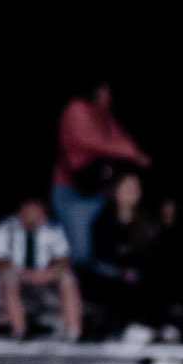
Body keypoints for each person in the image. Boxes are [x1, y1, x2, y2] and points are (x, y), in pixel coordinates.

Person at [52, 80, 148, 265]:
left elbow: (119, 136)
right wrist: (133, 153)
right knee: (80, 252)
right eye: (103, 90)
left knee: (101, 246)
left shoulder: (104, 115)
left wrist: (137, 152)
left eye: (108, 91)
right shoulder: (77, 108)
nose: (107, 95)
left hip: (98, 190)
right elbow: (93, 141)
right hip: (71, 191)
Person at [0, 197, 82, 341]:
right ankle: (19, 330)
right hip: (17, 275)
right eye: (30, 212)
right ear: (21, 212)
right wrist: (26, 274)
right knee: (9, 278)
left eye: (38, 212)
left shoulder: (53, 228)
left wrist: (48, 273)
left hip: (45, 276)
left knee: (68, 278)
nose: (34, 216)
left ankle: (73, 332)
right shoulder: (6, 228)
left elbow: (63, 259)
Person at [85, 170, 163, 338]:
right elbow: (98, 260)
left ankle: (155, 328)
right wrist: (120, 272)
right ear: (115, 191)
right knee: (120, 285)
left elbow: (153, 257)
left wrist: (138, 272)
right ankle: (117, 330)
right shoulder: (102, 221)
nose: (132, 192)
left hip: (142, 279)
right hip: (111, 278)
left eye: (136, 188)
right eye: (127, 187)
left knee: (151, 281)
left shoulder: (148, 222)